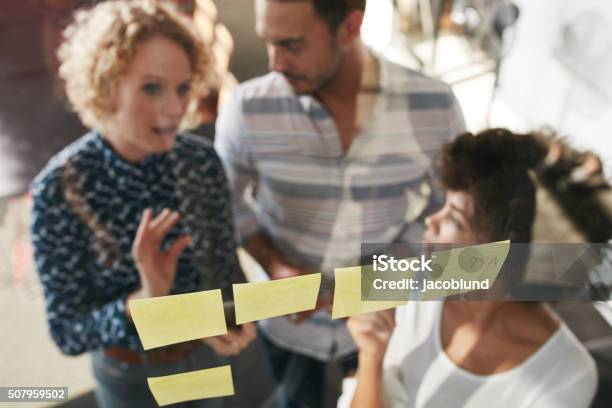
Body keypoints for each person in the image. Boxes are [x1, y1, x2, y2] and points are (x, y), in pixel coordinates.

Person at [214, 0, 465, 406]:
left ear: (349, 27)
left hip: (388, 320)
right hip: (287, 324)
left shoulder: (435, 107)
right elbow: (228, 206)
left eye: (292, 45)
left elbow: (446, 205)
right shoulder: (245, 109)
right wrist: (274, 263)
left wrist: (388, 271)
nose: (275, 63)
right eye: (269, 42)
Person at [30, 2, 255, 407]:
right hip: (131, 373)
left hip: (204, 360)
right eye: (152, 88)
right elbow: (68, 331)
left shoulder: (201, 163)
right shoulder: (59, 190)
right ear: (106, 84)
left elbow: (227, 272)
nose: (175, 108)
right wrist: (143, 299)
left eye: (184, 87)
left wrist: (238, 315)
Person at [342, 129, 598, 407]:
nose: (431, 222)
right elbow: (311, 293)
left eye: (455, 218)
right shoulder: (411, 286)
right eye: (443, 207)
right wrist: (370, 356)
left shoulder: (565, 375)